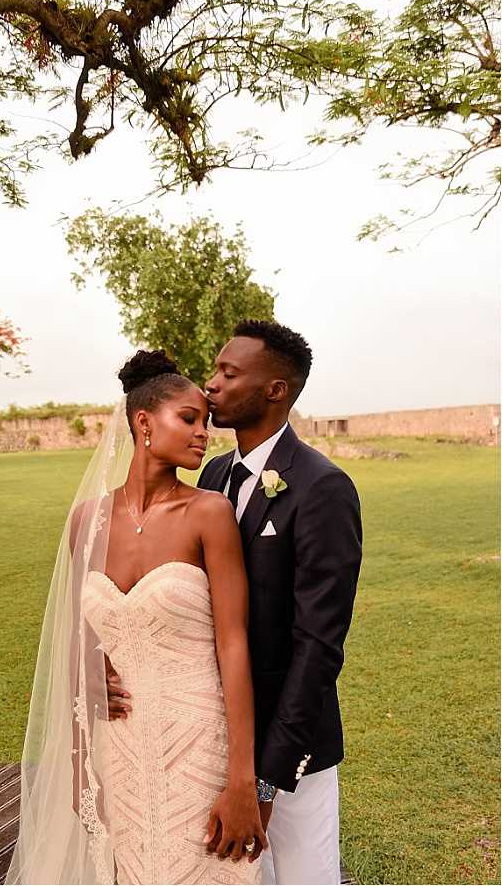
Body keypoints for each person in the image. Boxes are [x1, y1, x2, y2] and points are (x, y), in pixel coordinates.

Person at [5, 349, 266, 886]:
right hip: (117, 746)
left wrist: (243, 778)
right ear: (143, 422)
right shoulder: (87, 520)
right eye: (189, 419)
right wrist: (80, 759)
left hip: (199, 743)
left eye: (206, 424)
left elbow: (234, 645)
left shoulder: (209, 513)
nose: (203, 435)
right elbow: (79, 641)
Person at [198, 319, 363, 886]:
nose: (210, 384)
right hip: (212, 737)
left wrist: (265, 780)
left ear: (275, 391)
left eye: (228, 372)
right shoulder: (213, 473)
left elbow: (319, 644)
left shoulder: (323, 487)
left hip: (291, 751)